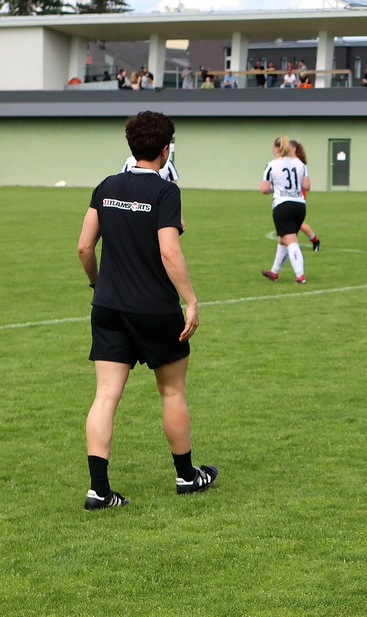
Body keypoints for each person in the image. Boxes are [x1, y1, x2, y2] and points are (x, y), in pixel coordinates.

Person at [77, 110, 217, 511]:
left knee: (106, 395)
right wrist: (190, 300)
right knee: (171, 390)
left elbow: (85, 247)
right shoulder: (165, 191)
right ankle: (187, 475)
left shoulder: (105, 186)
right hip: (155, 309)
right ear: (165, 149)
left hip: (107, 306)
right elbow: (169, 250)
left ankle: (99, 491)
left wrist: (95, 282)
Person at [260, 136, 311, 284]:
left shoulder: (272, 165)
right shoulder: (300, 164)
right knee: (283, 238)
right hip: (300, 205)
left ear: (277, 148)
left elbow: (264, 189)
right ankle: (274, 272)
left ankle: (300, 275)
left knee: (291, 240)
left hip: (283, 205)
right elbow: (306, 186)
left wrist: (275, 188)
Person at [291, 140, 321, 251]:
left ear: (293, 149)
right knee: (295, 224)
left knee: (296, 223)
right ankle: (313, 240)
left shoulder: (297, 163)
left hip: (297, 194)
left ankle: (314, 240)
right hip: (291, 195)